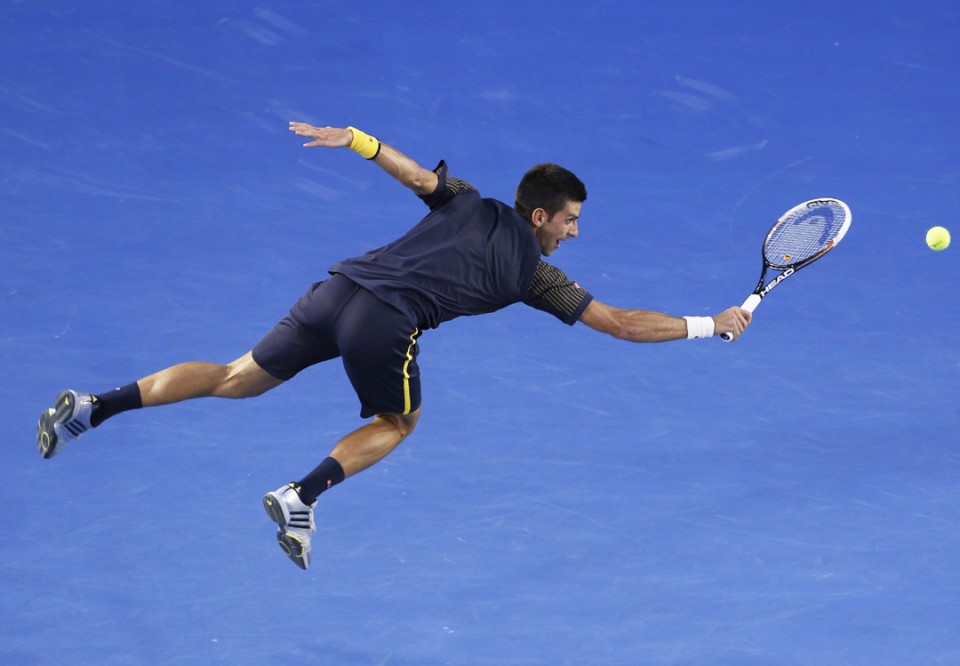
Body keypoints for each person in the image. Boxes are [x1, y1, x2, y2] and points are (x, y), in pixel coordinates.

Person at [36, 122, 751, 570]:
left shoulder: (468, 199)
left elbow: (416, 176)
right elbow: (620, 324)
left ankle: (92, 408)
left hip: (335, 291)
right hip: (384, 323)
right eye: (569, 221)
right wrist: (707, 324)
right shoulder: (536, 275)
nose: (573, 232)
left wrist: (358, 140)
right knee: (396, 422)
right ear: (541, 215)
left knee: (235, 377)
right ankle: (300, 495)